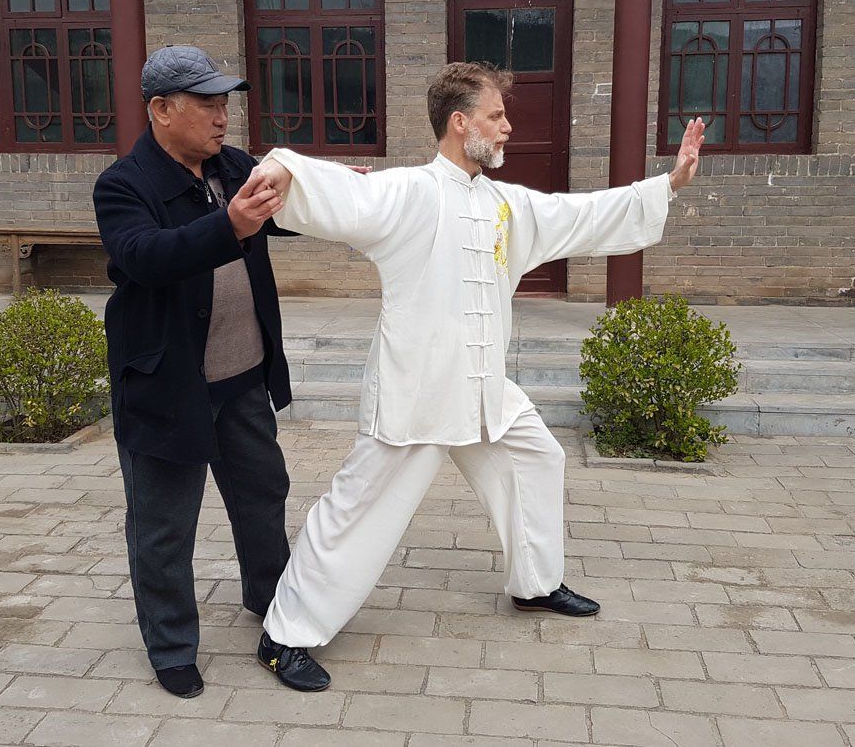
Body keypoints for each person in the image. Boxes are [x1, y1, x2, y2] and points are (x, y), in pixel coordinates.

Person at [245, 61, 705, 691]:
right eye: (497, 115)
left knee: (537, 457)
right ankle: (285, 634)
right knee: (361, 508)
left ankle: (535, 586)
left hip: (485, 389)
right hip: (417, 392)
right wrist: (282, 168)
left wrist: (667, 185)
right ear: (461, 123)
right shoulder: (410, 192)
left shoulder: (505, 204)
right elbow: (342, 192)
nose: (508, 126)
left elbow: (579, 214)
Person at [92, 45, 295, 699]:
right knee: (164, 526)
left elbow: (285, 211)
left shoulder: (233, 165)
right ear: (160, 109)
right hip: (168, 386)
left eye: (224, 102)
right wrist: (228, 224)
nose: (222, 116)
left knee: (263, 497)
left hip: (242, 375)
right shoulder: (124, 185)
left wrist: (332, 189)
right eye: (206, 104)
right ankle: (172, 646)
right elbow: (144, 257)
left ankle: (272, 602)